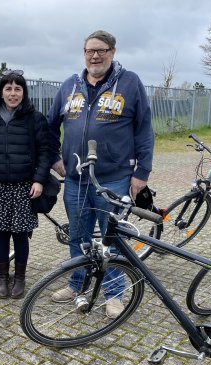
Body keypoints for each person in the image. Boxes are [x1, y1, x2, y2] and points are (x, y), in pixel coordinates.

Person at [47, 30, 154, 318]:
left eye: (101, 50)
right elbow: (48, 127)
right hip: (75, 180)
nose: (95, 56)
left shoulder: (130, 83)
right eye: (89, 51)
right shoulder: (70, 85)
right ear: (84, 54)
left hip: (115, 177)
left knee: (112, 239)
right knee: (78, 237)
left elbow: (144, 129)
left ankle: (114, 294)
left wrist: (141, 172)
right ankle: (77, 284)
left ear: (112, 51)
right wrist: (55, 158)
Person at [0, 70, 53, 299]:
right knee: (0, 234)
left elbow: (45, 151)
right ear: (1, 92)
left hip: (25, 186)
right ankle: (3, 277)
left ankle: (20, 278)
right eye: (8, 88)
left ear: (24, 92)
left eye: (18, 89)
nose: (13, 93)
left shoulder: (35, 118)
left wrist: (39, 180)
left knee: (21, 235)